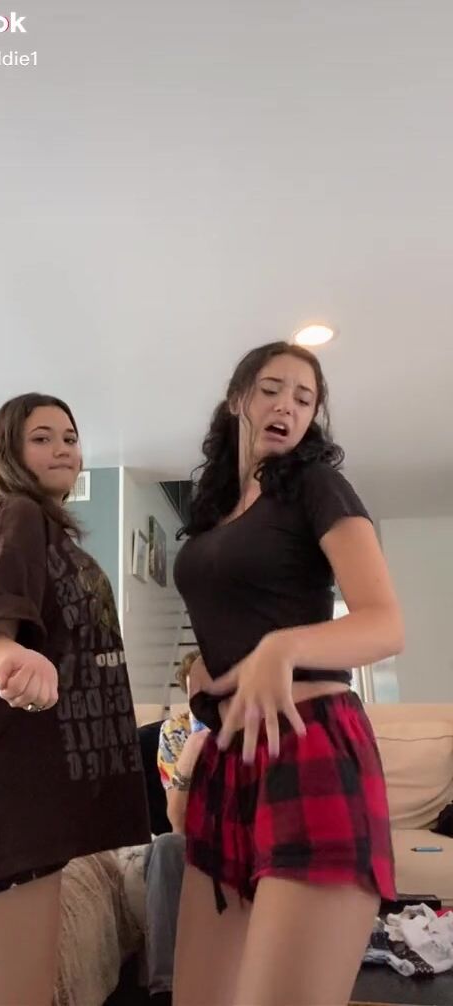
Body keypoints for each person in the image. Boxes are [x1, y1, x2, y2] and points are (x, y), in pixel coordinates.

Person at [172, 342, 404, 1006]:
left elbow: (386, 624)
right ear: (238, 399)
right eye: (272, 389)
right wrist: (208, 678)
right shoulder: (215, 512)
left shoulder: (316, 486)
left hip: (310, 747)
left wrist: (282, 648)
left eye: (304, 399)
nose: (287, 406)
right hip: (227, 762)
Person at [0, 393, 150, 1006]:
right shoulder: (15, 515)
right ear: (9, 452)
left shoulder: (52, 535)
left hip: (34, 799)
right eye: (42, 437)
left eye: (69, 437)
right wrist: (11, 659)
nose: (63, 448)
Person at [143, 650, 209, 1006]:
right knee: (166, 846)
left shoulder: (253, 722)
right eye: (192, 694)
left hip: (247, 836)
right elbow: (178, 823)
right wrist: (193, 749)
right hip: (194, 838)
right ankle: (165, 991)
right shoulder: (176, 731)